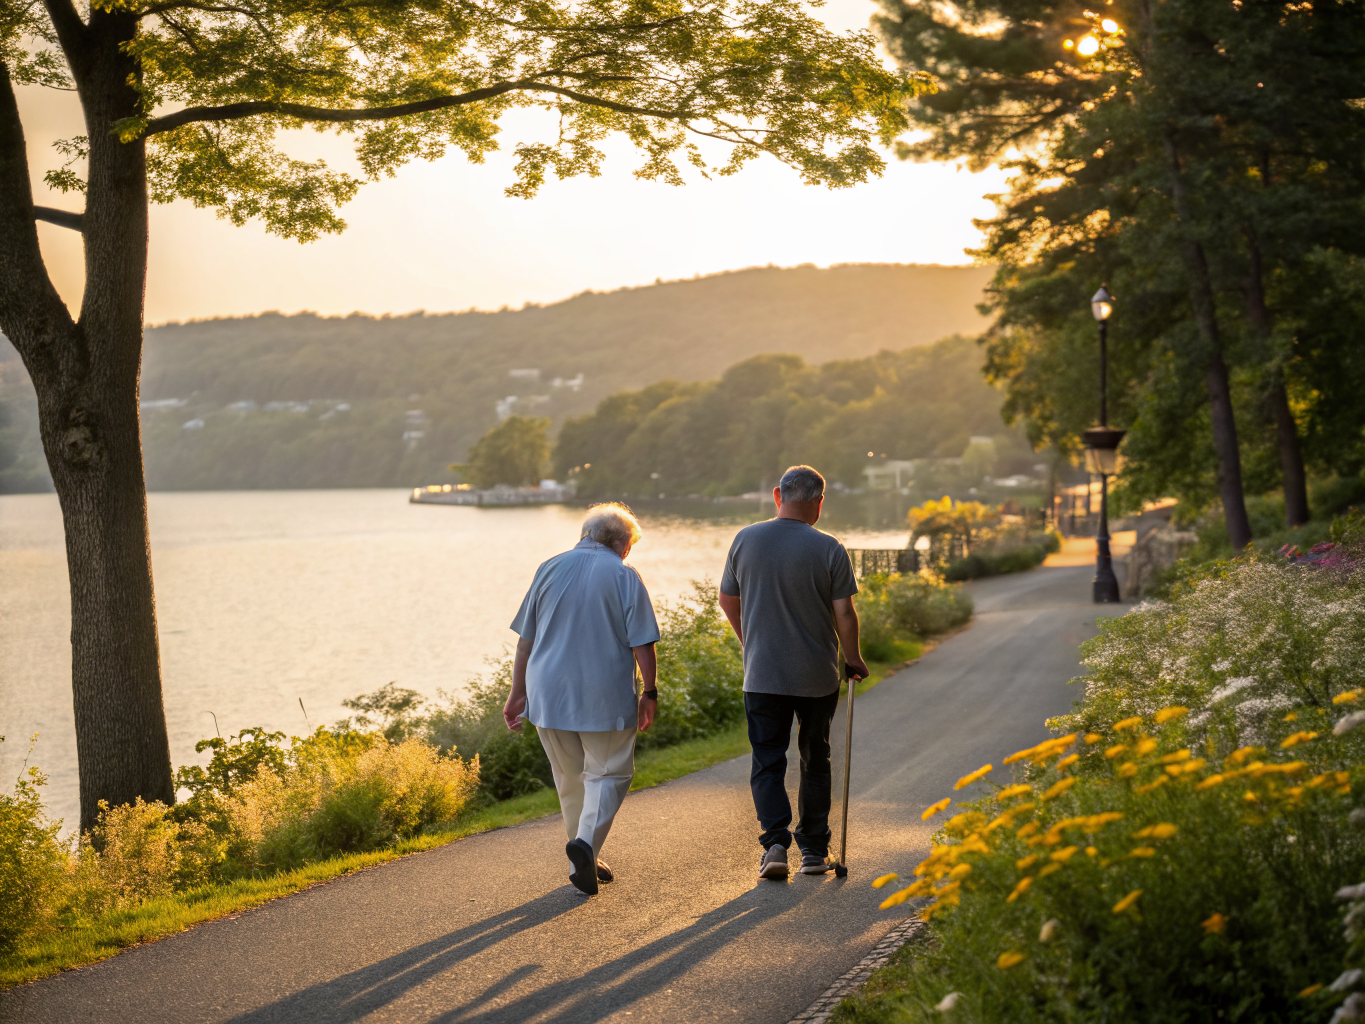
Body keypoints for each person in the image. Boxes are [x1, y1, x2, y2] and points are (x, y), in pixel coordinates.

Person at [718, 465, 868, 880]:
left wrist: (750, 642)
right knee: (815, 756)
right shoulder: (830, 547)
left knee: (768, 760)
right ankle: (815, 852)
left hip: (762, 673)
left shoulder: (745, 539)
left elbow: (727, 599)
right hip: (816, 676)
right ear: (819, 503)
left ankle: (776, 846)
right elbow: (844, 613)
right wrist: (852, 659)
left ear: (777, 495)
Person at [503, 502, 660, 896]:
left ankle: (584, 853)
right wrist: (650, 692)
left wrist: (516, 693)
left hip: (547, 692)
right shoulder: (624, 575)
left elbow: (526, 640)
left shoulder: (549, 568)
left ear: (586, 534)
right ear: (622, 543)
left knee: (569, 777)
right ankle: (586, 847)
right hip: (601, 694)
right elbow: (643, 644)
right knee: (611, 773)